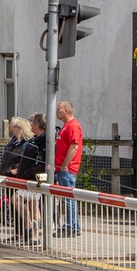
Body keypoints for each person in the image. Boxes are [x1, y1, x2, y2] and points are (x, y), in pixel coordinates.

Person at [54, 101, 84, 237]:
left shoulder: (73, 126)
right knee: (68, 198)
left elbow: (74, 147)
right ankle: (74, 226)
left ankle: (70, 227)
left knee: (68, 198)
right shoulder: (66, 126)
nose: (56, 111)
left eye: (58, 109)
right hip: (62, 168)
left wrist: (65, 165)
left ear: (66, 111)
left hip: (67, 169)